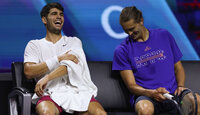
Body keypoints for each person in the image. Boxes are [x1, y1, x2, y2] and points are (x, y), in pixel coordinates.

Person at [112, 6, 200, 115]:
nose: (129, 34)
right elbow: (131, 86)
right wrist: (151, 93)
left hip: (173, 94)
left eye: (131, 29)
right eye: (126, 31)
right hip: (146, 96)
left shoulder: (164, 35)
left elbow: (178, 68)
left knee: (196, 101)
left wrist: (180, 85)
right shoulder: (121, 50)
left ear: (141, 21)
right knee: (144, 109)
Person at [24, 2, 107, 115]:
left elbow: (70, 66)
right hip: (49, 93)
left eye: (61, 14)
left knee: (100, 113)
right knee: (45, 112)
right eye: (54, 13)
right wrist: (59, 58)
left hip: (77, 92)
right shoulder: (34, 45)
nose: (59, 17)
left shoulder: (74, 41)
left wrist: (47, 77)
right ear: (44, 20)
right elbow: (29, 71)